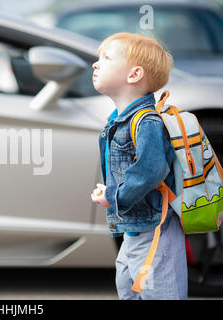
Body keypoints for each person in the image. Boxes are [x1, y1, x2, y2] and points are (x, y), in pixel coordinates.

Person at [90, 32, 187, 300]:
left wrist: (114, 196)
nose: (96, 64)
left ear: (134, 75)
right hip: (135, 228)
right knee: (127, 287)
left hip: (156, 229)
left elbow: (151, 170)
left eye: (106, 58)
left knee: (159, 293)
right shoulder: (118, 120)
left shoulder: (147, 122)